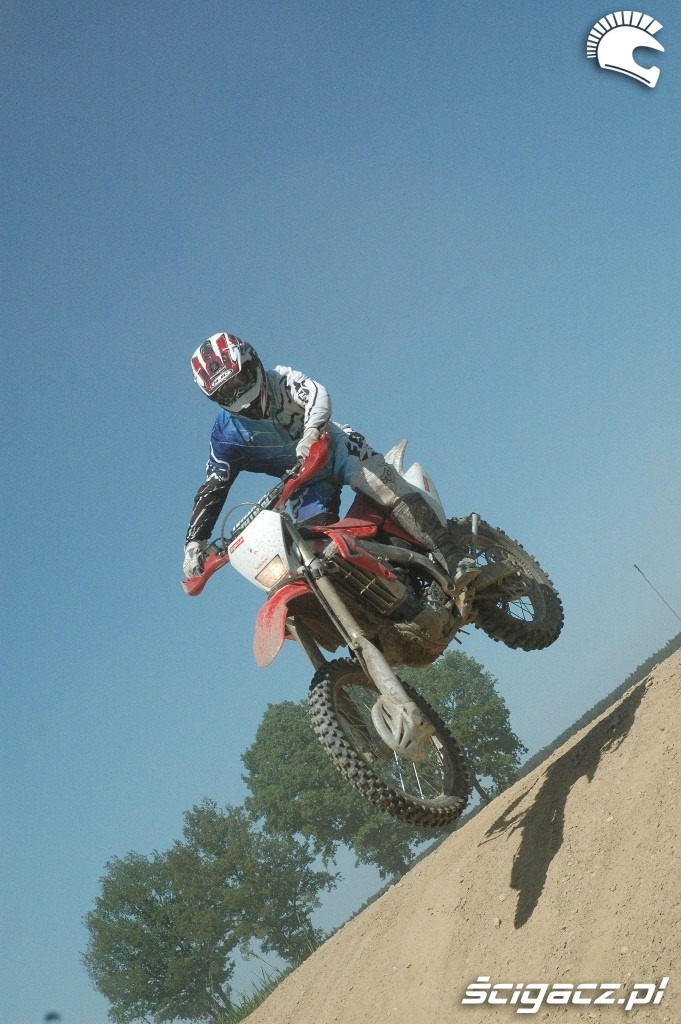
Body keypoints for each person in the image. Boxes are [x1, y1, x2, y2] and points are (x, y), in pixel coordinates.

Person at [182, 333, 463, 580]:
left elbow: (317, 394)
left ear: (251, 361)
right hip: (302, 483)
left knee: (384, 485)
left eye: (239, 379)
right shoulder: (225, 435)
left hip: (335, 446)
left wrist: (311, 433)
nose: (238, 392)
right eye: (226, 391)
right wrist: (195, 542)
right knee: (313, 552)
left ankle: (456, 560)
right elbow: (214, 485)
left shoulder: (281, 380)